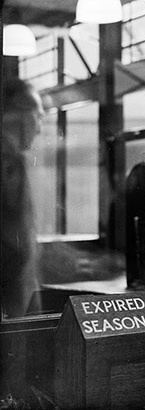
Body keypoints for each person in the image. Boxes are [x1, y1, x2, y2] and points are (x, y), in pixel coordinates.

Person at [1, 78, 44, 318]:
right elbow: (13, 246)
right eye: (38, 116)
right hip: (14, 307)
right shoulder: (9, 161)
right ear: (20, 115)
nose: (38, 129)